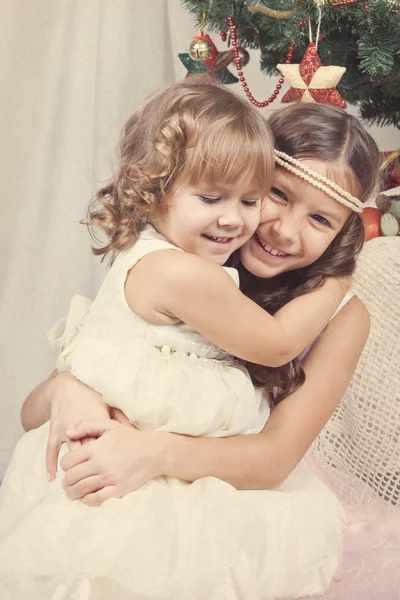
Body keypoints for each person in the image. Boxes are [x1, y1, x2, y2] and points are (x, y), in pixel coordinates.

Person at [0, 93, 380, 600]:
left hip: (225, 495)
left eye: (322, 220)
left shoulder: (340, 317)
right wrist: (68, 389)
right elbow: (34, 411)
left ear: (344, 231)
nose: (284, 230)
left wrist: (338, 276)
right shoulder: (191, 256)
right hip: (112, 494)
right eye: (276, 194)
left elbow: (272, 459)